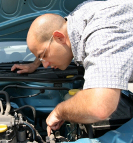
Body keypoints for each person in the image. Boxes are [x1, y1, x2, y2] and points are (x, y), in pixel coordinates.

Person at [11, 0, 133, 136]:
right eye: (41, 58)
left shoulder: (102, 33)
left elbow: (100, 106)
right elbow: (48, 35)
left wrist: (59, 111)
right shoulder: (78, 16)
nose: (45, 65)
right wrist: (35, 64)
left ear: (59, 37)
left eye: (44, 55)